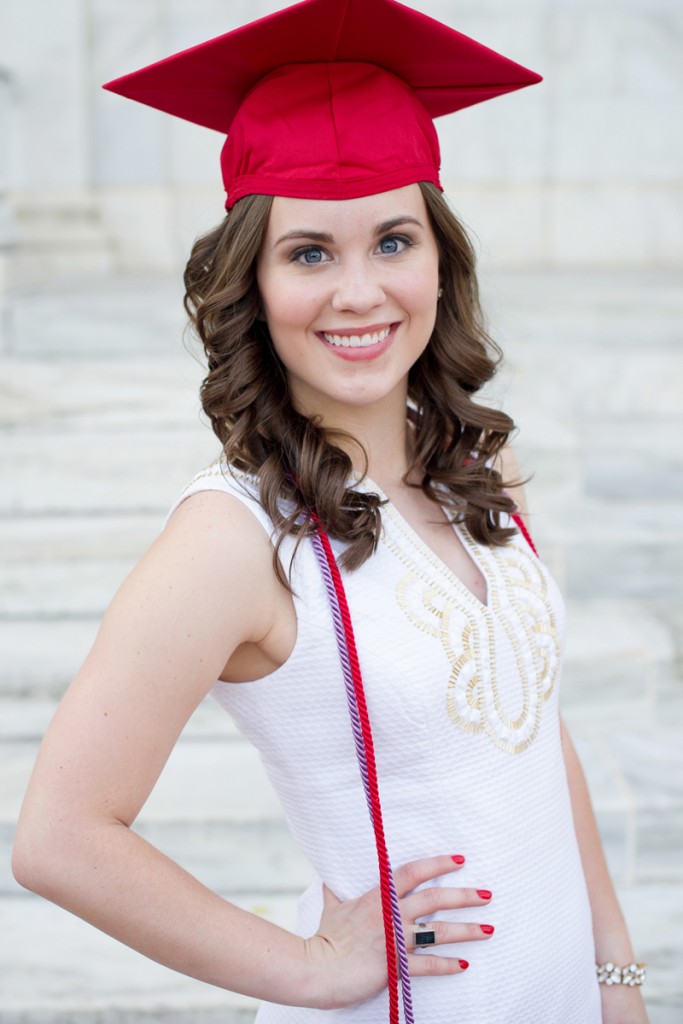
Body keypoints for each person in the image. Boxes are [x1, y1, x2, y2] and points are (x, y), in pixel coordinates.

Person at [12, 0, 649, 1021]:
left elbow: (531, 723)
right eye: (309, 253)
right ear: (252, 285)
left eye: (391, 240)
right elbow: (58, 835)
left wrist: (615, 970)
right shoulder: (234, 538)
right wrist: (309, 965)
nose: (359, 291)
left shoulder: (483, 464)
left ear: (439, 258)